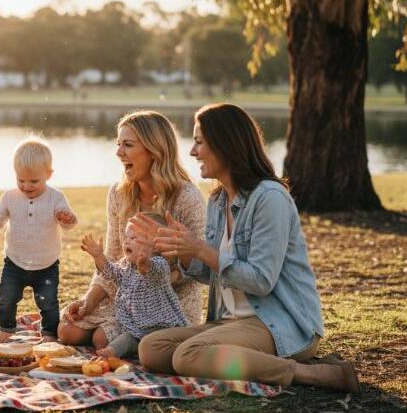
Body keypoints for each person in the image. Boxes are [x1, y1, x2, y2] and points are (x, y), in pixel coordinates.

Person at [132, 103, 359, 392]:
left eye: (200, 142)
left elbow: (261, 281)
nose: (192, 151)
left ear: (225, 144)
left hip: (276, 322)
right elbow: (210, 272)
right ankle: (245, 358)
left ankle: (315, 374)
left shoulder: (270, 198)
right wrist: (182, 249)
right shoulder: (218, 201)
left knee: (187, 356)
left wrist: (201, 249)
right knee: (152, 348)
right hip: (230, 321)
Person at [59, 110, 205, 348]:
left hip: (170, 304)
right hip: (127, 294)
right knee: (67, 331)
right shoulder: (119, 194)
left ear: (154, 150)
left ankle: (137, 340)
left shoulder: (187, 198)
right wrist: (88, 302)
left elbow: (197, 271)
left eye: (128, 145)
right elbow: (114, 257)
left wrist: (150, 263)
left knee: (101, 338)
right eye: (118, 144)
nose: (118, 152)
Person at [0, 137, 78, 342]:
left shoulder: (56, 198)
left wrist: (67, 219)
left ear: (48, 174)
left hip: (46, 263)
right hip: (15, 262)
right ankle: (6, 328)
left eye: (34, 181)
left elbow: (69, 224)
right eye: (21, 180)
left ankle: (48, 333)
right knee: (6, 298)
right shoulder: (10, 197)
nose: (26, 186)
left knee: (48, 302)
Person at [79, 224, 187, 359]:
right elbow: (111, 273)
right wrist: (98, 256)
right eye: (127, 237)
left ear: (155, 245)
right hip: (138, 330)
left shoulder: (160, 264)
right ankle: (110, 353)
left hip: (163, 327)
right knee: (126, 340)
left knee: (161, 347)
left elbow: (155, 271)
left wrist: (146, 264)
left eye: (134, 238)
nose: (126, 241)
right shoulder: (130, 268)